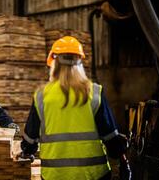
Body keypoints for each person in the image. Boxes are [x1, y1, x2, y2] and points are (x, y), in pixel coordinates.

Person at [19, 36, 131, 180]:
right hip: (93, 175)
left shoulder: (42, 96)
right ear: (80, 62)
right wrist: (122, 158)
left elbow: (30, 140)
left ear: (54, 63)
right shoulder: (94, 93)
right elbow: (112, 141)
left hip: (54, 176)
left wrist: (27, 151)